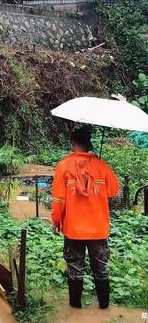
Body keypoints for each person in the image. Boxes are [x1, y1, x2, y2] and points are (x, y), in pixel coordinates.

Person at [52, 127, 119, 310]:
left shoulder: (63, 166)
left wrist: (56, 221)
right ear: (89, 143)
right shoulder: (102, 166)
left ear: (73, 143)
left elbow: (58, 200)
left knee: (75, 267)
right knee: (101, 267)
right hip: (98, 229)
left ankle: (75, 307)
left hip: (74, 229)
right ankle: (104, 306)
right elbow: (113, 191)